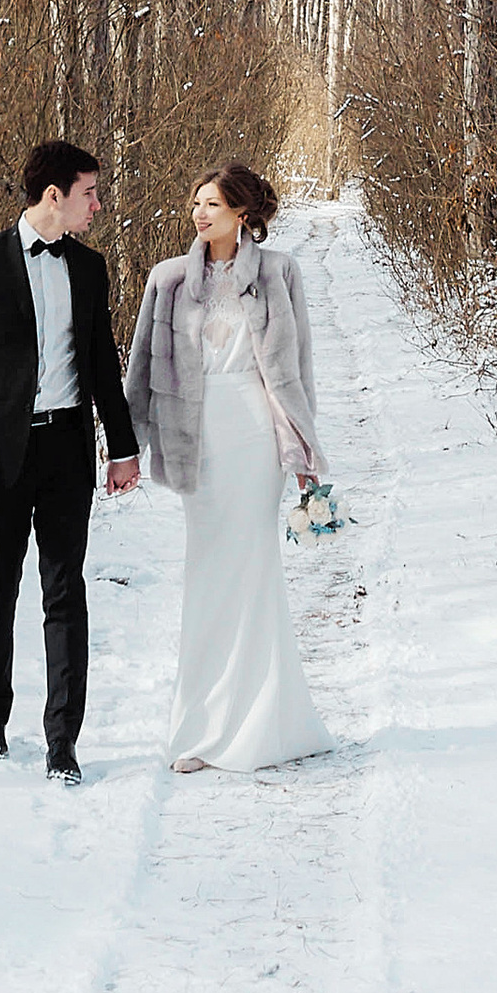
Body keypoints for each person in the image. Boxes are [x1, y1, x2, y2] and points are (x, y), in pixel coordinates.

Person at [0, 139, 140, 784]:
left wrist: (123, 443)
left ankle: (63, 741)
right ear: (53, 195)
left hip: (66, 450)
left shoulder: (91, 267)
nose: (96, 205)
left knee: (65, 592)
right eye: (89, 193)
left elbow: (103, 361)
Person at [122, 162, 334, 773]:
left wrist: (301, 450)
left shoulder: (278, 273)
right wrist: (128, 445)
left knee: (254, 569)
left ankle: (266, 725)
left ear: (243, 213)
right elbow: (140, 372)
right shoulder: (167, 281)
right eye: (196, 203)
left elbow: (297, 369)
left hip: (253, 433)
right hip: (195, 434)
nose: (200, 213)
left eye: (212, 204)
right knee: (207, 572)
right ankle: (200, 730)